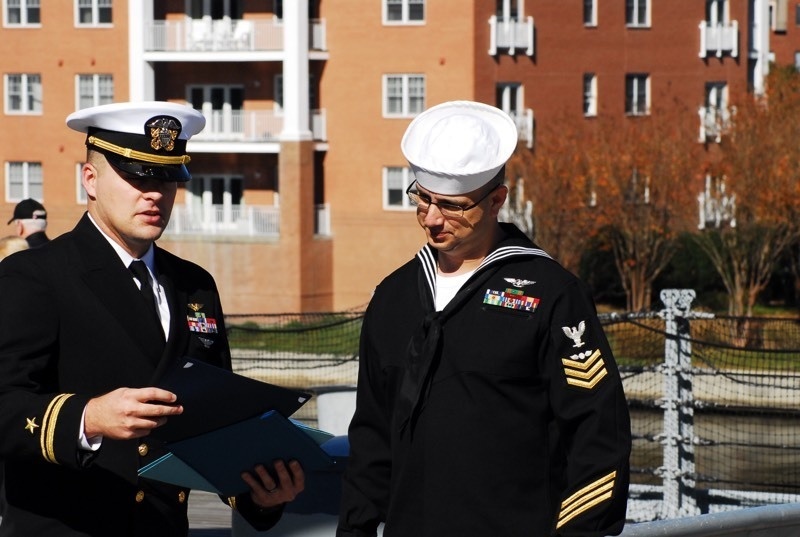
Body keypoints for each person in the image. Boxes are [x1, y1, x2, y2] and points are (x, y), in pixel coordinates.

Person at [0, 101, 304, 537]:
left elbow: (216, 419)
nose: (154, 192)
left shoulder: (194, 285)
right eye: (135, 176)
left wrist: (258, 492)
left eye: (166, 177)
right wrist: (87, 418)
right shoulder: (34, 276)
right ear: (90, 180)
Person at [337, 101, 631, 537]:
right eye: (422, 199)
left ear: (497, 200)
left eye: (452, 206)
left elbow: (598, 435)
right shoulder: (394, 298)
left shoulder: (551, 294)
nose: (432, 219)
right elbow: (371, 438)